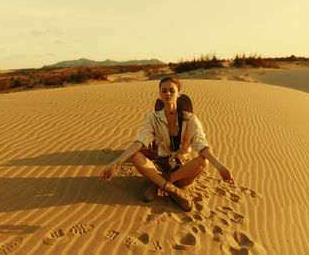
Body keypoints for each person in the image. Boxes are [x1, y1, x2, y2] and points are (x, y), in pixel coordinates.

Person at [99, 76, 234, 211]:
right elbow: (140, 142)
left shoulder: (191, 119)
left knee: (203, 162)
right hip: (160, 165)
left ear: (178, 93)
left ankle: (159, 183)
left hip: (182, 170)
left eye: (171, 90)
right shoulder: (154, 118)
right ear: (160, 93)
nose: (167, 94)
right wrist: (115, 163)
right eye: (164, 91)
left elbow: (201, 145)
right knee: (136, 156)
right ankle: (173, 191)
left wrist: (220, 166)